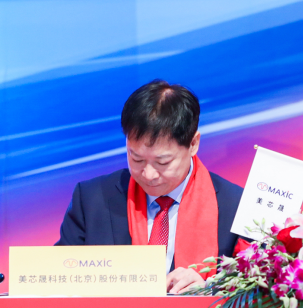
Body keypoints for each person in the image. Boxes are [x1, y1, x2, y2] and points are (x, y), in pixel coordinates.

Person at [56, 80, 244, 293]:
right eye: (136, 159)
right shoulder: (91, 199)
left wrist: (210, 289)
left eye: (162, 162)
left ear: (193, 144)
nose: (148, 174)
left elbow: (258, 292)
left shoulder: (236, 207)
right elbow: (58, 282)